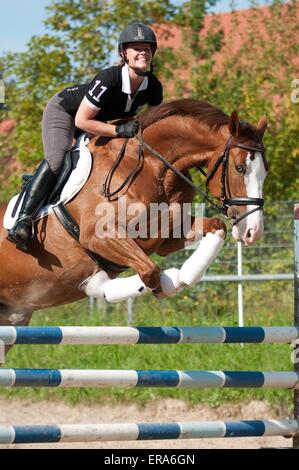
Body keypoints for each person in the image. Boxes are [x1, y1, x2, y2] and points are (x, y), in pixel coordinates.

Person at [7, 22, 163, 251]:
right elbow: (82, 121)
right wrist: (118, 131)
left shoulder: (153, 87)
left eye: (147, 49)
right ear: (124, 53)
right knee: (58, 160)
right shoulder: (109, 79)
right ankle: (23, 219)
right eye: (136, 48)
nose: (143, 53)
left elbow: (154, 117)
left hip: (98, 122)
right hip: (67, 113)